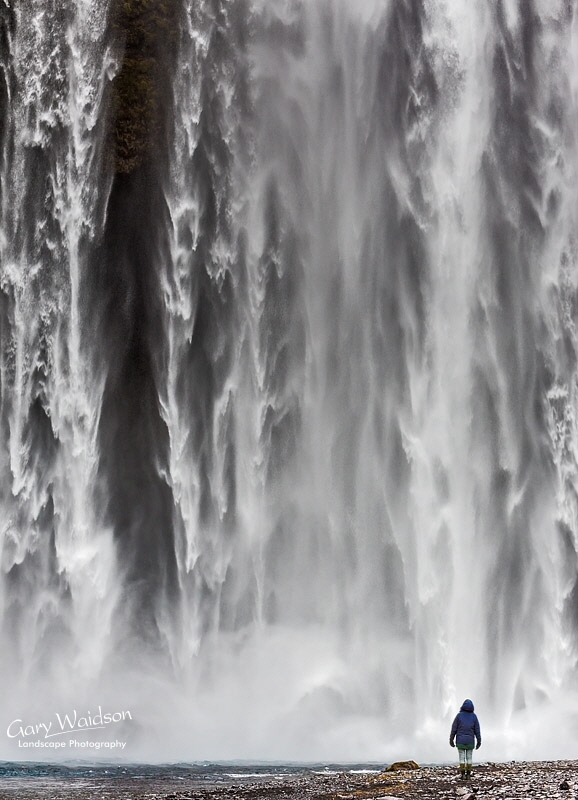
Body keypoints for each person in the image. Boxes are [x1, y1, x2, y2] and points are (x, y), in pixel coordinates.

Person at [449, 698, 481, 779]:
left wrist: (451, 739)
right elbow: (477, 730)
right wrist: (479, 741)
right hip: (470, 741)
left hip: (460, 741)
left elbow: (454, 729)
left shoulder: (459, 716)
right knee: (469, 757)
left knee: (461, 756)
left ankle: (463, 774)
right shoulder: (474, 717)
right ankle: (469, 774)